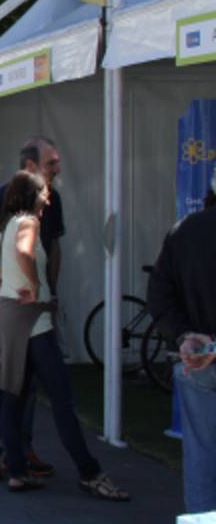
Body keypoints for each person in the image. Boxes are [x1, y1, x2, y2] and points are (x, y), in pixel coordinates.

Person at [0, 171, 128, 500]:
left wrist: (17, 287)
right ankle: (89, 472)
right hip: (35, 323)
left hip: (8, 320)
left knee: (13, 399)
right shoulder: (27, 223)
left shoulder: (2, 229)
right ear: (32, 196)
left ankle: (18, 471)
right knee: (61, 400)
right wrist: (36, 287)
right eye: (44, 193)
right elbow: (24, 253)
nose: (48, 199)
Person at [0, 137, 62, 480]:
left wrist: (50, 289)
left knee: (27, 379)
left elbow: (53, 246)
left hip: (34, 305)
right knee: (0, 377)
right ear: (30, 166)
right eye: (51, 163)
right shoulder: (3, 197)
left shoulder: (52, 200)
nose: (57, 169)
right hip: (9, 304)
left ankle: (20, 449)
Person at [147, 172, 216, 514]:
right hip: (199, 358)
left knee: (201, 459)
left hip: (196, 358)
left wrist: (186, 335)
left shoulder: (184, 231)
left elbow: (158, 296)